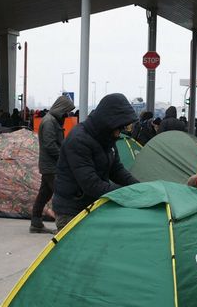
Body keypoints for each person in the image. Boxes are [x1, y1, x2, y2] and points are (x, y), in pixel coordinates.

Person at [53, 93, 139, 229]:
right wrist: (125, 194)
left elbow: (117, 170)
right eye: (119, 127)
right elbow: (91, 184)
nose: (120, 132)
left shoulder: (107, 137)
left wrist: (138, 187)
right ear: (109, 122)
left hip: (92, 206)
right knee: (78, 250)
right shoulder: (78, 140)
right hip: (72, 210)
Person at [31, 95, 74, 234]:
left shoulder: (53, 120)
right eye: (66, 111)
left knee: (44, 194)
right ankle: (62, 225)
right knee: (60, 195)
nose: (67, 115)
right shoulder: (49, 122)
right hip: (51, 166)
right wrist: (64, 158)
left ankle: (36, 222)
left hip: (50, 165)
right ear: (61, 109)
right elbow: (50, 145)